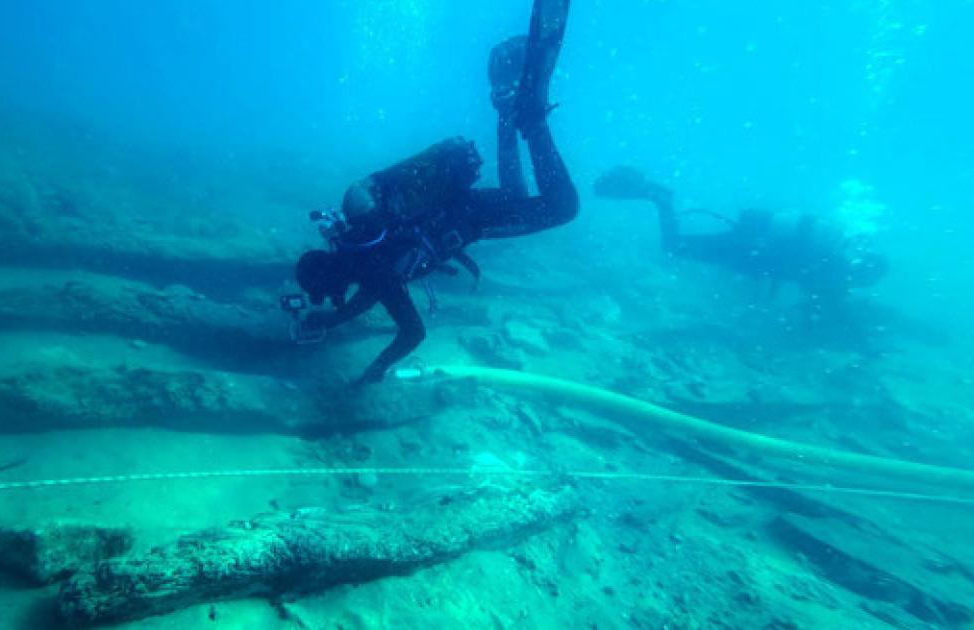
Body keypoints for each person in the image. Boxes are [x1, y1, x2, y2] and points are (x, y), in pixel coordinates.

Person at [293, 0, 579, 386]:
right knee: (518, 193)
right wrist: (329, 320)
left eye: (325, 295)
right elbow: (372, 296)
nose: (332, 297)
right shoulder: (354, 247)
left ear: (329, 281)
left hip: (469, 219)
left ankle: (528, 118)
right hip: (461, 209)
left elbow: (412, 332)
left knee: (561, 208)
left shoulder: (369, 266)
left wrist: (372, 374)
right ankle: (509, 112)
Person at [593, 166, 888, 316]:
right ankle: (661, 199)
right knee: (674, 248)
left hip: (752, 250)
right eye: (862, 281)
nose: (855, 286)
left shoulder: (833, 259)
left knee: (678, 249)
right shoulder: (833, 267)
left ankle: (660, 198)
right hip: (749, 250)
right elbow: (809, 292)